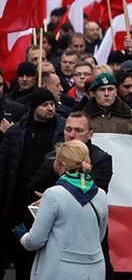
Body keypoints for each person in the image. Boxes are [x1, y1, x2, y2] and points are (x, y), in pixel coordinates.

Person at [14, 141, 108, 280]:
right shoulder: (100, 194)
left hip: (59, 271)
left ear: (63, 165)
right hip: (94, 271)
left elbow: (35, 240)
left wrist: (23, 236)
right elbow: (98, 237)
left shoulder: (53, 194)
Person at [0, 88, 65, 279]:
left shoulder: (62, 131)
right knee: (21, 253)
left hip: (49, 201)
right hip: (19, 203)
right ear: (34, 107)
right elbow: (4, 166)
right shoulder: (16, 132)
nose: (50, 108)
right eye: (45, 105)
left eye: (52, 104)